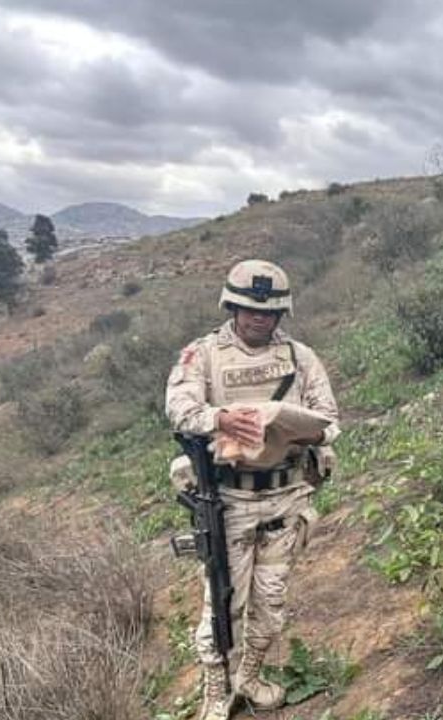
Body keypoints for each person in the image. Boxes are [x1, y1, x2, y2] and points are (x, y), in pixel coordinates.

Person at [166, 259, 340, 720]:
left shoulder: (301, 358)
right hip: (231, 500)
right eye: (248, 309)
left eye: (268, 312)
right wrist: (218, 419)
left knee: (271, 598)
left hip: (286, 495)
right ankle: (214, 691)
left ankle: (251, 676)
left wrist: (306, 432)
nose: (258, 318)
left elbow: (329, 418)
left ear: (281, 314)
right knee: (222, 600)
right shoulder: (202, 355)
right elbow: (179, 409)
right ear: (232, 307)